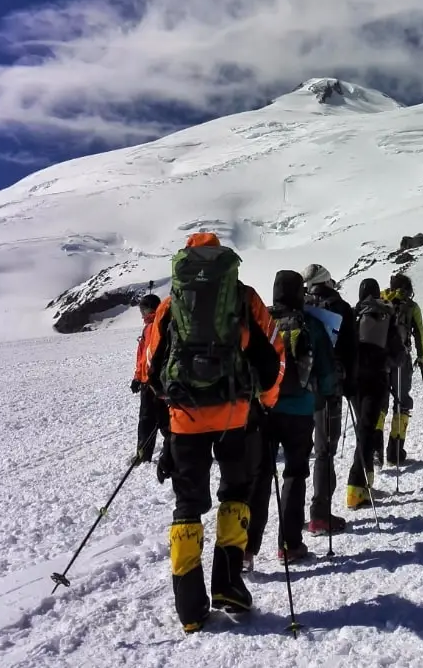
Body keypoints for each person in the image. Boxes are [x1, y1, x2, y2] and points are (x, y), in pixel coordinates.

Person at [147, 232, 285, 634]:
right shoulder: (244, 298)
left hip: (184, 417)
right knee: (236, 492)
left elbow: (153, 368)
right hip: (234, 414)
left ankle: (189, 609)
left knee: (187, 504)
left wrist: (168, 412)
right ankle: (228, 584)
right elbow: (273, 354)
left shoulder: (172, 305)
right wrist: (268, 400)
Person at [245, 269, 338, 567]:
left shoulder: (262, 321)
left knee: (260, 476)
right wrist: (325, 394)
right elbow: (324, 373)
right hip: (300, 411)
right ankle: (289, 545)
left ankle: (247, 549)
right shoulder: (310, 323)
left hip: (264, 409)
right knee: (295, 474)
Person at [301, 263, 358, 536]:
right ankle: (320, 515)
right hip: (329, 389)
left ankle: (291, 523)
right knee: (324, 452)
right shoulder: (340, 307)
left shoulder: (299, 307)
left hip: (299, 389)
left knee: (298, 453)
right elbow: (350, 349)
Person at [346, 277, 402, 509]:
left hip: (355, 380)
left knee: (363, 429)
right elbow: (398, 354)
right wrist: (387, 363)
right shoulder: (386, 314)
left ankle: (364, 483)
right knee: (367, 432)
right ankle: (355, 488)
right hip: (377, 379)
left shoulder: (352, 313)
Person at [377, 272, 423, 467]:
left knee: (380, 403)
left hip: (379, 359)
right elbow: (419, 333)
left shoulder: (380, 299)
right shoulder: (411, 306)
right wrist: (422, 357)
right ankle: (395, 452)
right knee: (402, 402)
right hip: (401, 359)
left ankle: (375, 450)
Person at [130, 293, 170, 467]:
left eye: (144, 309)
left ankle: (144, 454)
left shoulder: (155, 326)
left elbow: (149, 356)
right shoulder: (157, 325)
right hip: (158, 382)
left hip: (153, 382)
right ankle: (172, 450)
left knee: (149, 419)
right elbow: (144, 357)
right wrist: (138, 377)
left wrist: (141, 378)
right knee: (164, 419)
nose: (142, 313)